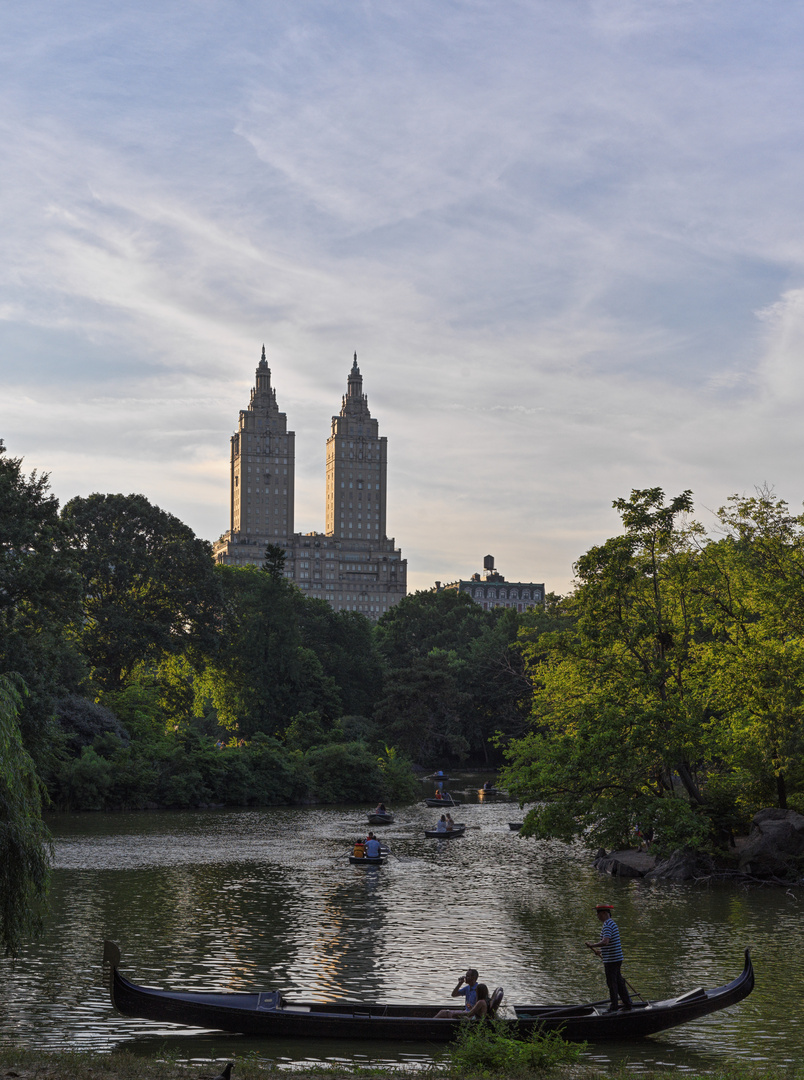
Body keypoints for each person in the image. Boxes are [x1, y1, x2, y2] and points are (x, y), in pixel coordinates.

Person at [586, 902, 632, 1012]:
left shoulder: (607, 925)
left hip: (612, 960)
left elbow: (605, 942)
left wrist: (593, 945)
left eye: (598, 914)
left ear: (604, 913)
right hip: (616, 958)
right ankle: (627, 1003)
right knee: (619, 982)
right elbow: (611, 943)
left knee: (612, 983)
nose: (597, 916)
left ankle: (614, 1006)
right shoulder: (611, 924)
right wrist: (600, 951)